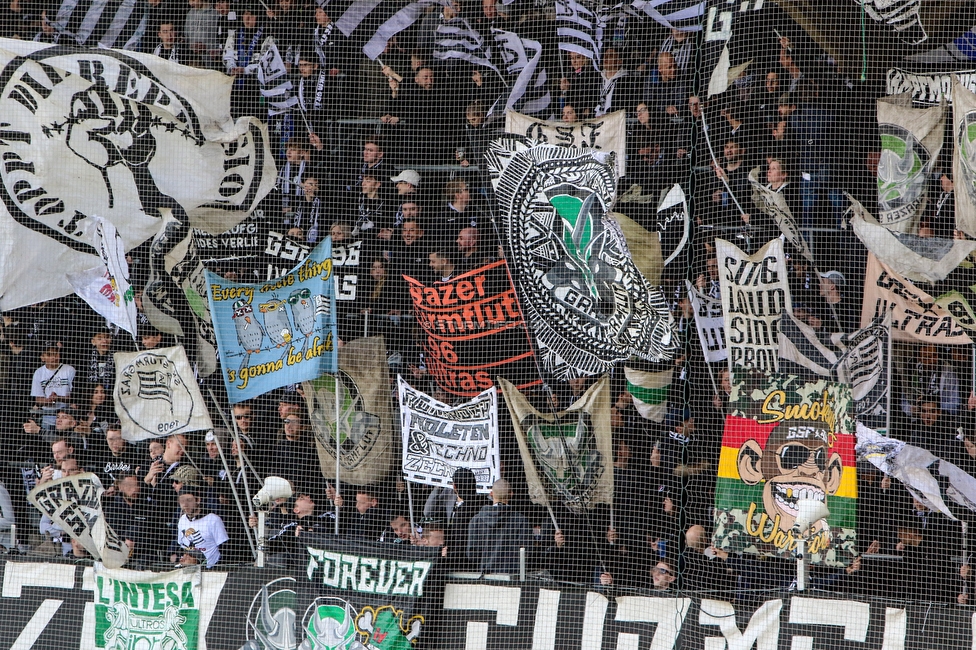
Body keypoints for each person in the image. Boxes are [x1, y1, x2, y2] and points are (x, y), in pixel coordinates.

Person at [467, 478, 531, 574]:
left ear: (491, 494)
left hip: (484, 576)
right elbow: (527, 551)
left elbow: (472, 554)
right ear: (511, 494)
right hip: (512, 577)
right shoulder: (520, 520)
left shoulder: (476, 520)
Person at [173, 483, 230, 567]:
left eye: (189, 500)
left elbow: (225, 548)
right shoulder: (182, 520)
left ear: (198, 500)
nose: (185, 505)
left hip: (211, 571)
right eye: (182, 501)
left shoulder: (212, 519)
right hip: (188, 569)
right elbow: (181, 545)